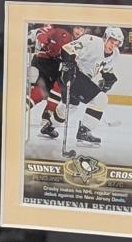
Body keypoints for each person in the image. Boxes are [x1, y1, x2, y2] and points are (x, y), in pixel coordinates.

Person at [40, 24, 124, 152]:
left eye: (116, 44)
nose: (113, 46)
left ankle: (49, 127)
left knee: (70, 106)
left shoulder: (115, 54)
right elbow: (67, 48)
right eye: (111, 42)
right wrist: (69, 64)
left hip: (81, 79)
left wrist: (109, 78)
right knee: (100, 99)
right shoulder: (91, 41)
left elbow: (106, 69)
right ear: (105, 38)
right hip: (72, 75)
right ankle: (84, 131)